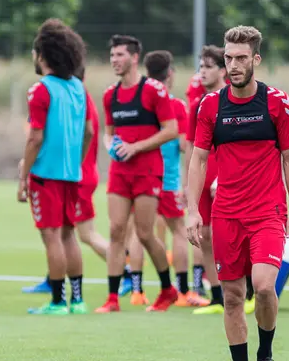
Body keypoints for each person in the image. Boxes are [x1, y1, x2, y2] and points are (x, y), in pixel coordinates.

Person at [187, 26, 289, 361]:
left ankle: (265, 355)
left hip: (267, 211)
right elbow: (198, 160)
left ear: (256, 59)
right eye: (228, 58)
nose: (233, 65)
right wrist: (192, 210)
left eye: (240, 58)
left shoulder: (277, 102)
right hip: (225, 216)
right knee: (233, 296)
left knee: (264, 287)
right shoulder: (210, 106)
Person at [96, 34, 180, 313]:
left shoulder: (154, 90)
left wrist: (136, 147)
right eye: (112, 56)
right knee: (116, 229)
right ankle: (111, 299)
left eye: (119, 55)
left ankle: (167, 290)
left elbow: (171, 130)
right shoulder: (110, 95)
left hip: (148, 171)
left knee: (144, 233)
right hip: (120, 171)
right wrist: (113, 147)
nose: (114, 60)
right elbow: (108, 135)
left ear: (134, 58)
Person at [19, 19, 94, 315]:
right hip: (71, 174)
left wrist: (23, 175)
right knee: (68, 234)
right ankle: (77, 300)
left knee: (51, 236)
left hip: (46, 175)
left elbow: (35, 137)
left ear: (43, 55)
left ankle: (57, 301)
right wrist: (77, 160)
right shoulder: (79, 87)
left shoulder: (40, 89)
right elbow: (88, 131)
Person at [125, 50, 206, 308]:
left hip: (140, 178)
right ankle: (183, 292)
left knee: (140, 233)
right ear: (169, 74)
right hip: (168, 180)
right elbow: (185, 145)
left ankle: (137, 291)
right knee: (179, 233)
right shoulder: (175, 105)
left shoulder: (139, 101)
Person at [184, 45, 228, 315]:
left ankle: (245, 292)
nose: (202, 71)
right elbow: (190, 147)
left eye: (208, 66)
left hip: (227, 178)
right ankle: (216, 296)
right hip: (203, 177)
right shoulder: (197, 105)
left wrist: (224, 176)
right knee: (207, 236)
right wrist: (187, 184)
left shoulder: (233, 101)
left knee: (233, 236)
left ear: (223, 71)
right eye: (200, 66)